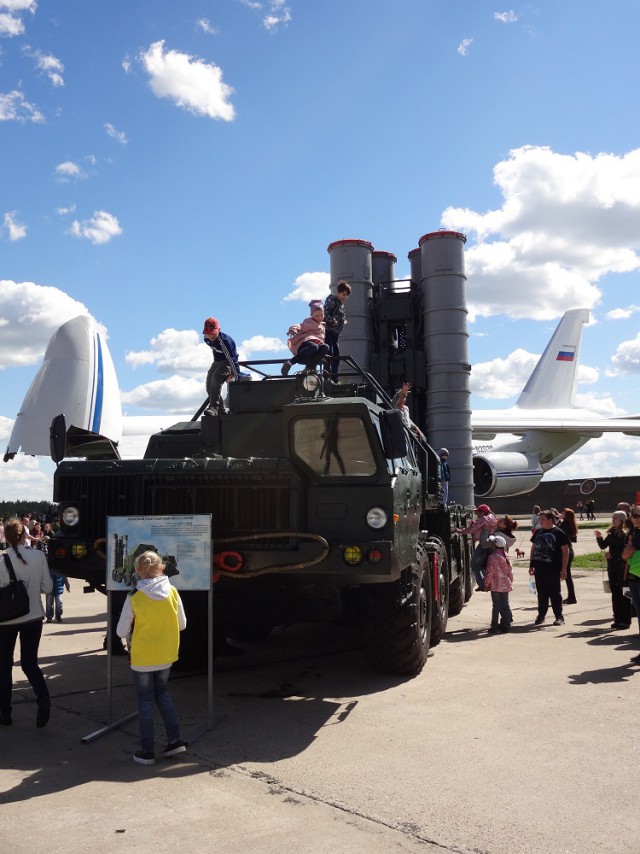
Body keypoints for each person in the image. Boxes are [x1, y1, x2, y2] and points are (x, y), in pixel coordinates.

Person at [116, 551, 187, 765]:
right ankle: (175, 741)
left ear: (138, 571)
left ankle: (147, 751)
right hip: (166, 654)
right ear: (162, 568)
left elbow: (120, 631)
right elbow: (182, 624)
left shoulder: (134, 597)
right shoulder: (173, 592)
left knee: (145, 701)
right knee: (163, 695)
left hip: (142, 657)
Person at [0, 517, 53, 727]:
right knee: (30, 663)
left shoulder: (2, 560)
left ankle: (5, 712)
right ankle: (43, 697)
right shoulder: (39, 556)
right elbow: (48, 588)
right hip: (34, 617)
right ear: (24, 535)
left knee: (4, 666)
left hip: (6, 621)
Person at [528, 509, 570, 626]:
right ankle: (541, 615)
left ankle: (559, 616)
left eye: (543, 519)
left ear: (551, 519)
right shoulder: (538, 532)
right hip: (539, 567)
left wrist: (564, 569)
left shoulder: (558, 532)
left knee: (554, 592)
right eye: (540, 519)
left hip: (553, 567)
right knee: (541, 593)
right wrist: (531, 565)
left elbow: (565, 551)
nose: (540, 521)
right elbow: (533, 548)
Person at [595, 511, 631, 630]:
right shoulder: (611, 533)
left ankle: (625, 620)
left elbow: (624, 551)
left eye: (615, 518)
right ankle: (617, 618)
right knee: (615, 593)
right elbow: (603, 546)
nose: (613, 520)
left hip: (621, 566)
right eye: (613, 518)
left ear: (621, 520)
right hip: (612, 566)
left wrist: (613, 555)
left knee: (623, 594)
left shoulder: (625, 534)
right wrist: (599, 538)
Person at [202, 317, 240, 417]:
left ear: (218, 330)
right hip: (217, 361)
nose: (211, 336)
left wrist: (235, 375)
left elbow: (232, 359)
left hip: (228, 361)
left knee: (216, 379)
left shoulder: (224, 341)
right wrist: (215, 364)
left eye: (213, 333)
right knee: (209, 384)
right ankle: (221, 410)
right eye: (208, 333)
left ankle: (214, 407)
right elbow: (215, 350)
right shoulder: (206, 339)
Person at [282, 300, 330, 376]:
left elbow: (322, 339)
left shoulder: (323, 326)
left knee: (326, 347)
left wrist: (322, 353)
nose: (320, 317)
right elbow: (300, 326)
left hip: (312, 353)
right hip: (305, 345)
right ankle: (289, 363)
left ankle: (310, 367)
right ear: (312, 316)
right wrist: (293, 329)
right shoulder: (309, 322)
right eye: (317, 316)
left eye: (321, 315)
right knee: (314, 347)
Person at [456, 504, 497, 591]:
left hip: (483, 544)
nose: (477, 514)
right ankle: (486, 583)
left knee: (474, 564)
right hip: (489, 544)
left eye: (478, 512)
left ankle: (483, 585)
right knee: (481, 564)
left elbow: (472, 529)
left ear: (482, 512)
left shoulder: (483, 519)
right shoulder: (492, 518)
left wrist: (460, 531)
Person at [484, 534, 513, 633]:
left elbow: (489, 572)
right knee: (505, 604)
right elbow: (510, 571)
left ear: (494, 545)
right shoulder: (506, 556)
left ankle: (494, 626)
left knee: (496, 605)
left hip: (495, 585)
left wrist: (486, 584)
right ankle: (506, 625)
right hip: (506, 584)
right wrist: (510, 582)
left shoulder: (492, 557)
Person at [323, 280, 351, 382]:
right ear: (338, 292)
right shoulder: (331, 301)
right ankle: (327, 375)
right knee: (329, 352)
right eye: (344, 294)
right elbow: (324, 314)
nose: (345, 297)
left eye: (346, 295)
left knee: (336, 354)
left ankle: (334, 376)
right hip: (328, 331)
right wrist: (332, 321)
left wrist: (342, 321)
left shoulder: (340, 305)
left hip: (335, 333)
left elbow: (339, 316)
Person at [621, 505, 640, 656]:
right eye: (634, 515)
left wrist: (635, 550)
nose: (636, 518)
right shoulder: (634, 532)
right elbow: (625, 555)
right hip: (634, 575)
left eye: (638, 515)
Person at [559, 507, 578, 605]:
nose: (561, 514)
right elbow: (574, 539)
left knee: (566, 575)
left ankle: (571, 597)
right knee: (567, 575)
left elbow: (558, 535)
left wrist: (558, 521)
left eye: (563, 513)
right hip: (569, 551)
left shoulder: (564, 525)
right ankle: (571, 596)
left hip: (564, 552)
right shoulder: (570, 525)